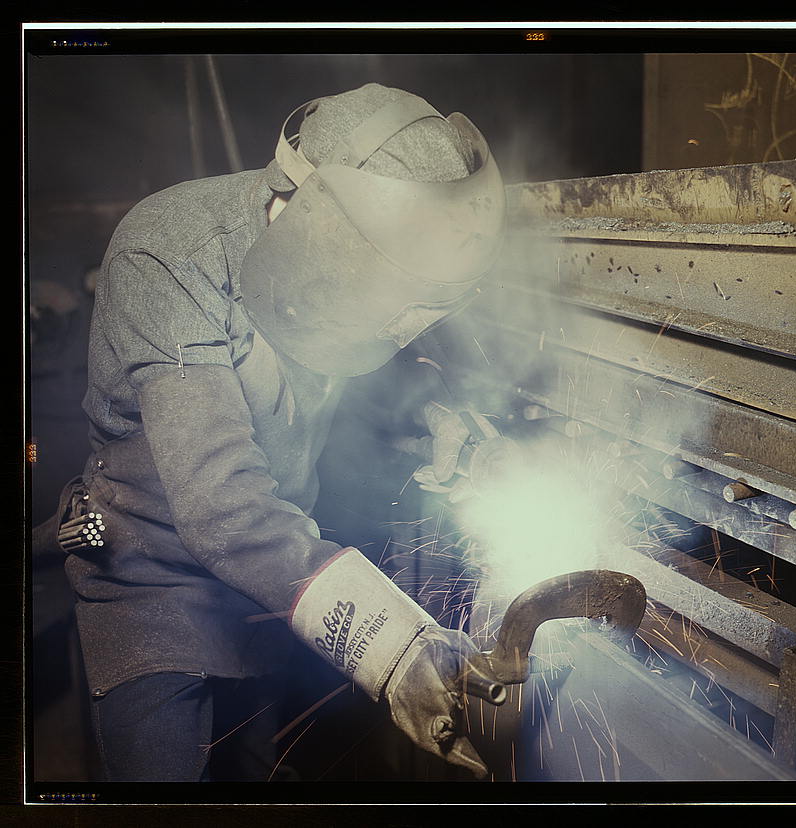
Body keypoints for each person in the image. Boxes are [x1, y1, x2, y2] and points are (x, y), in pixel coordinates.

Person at [54, 83, 507, 782]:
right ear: (302, 207)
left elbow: (355, 364)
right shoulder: (170, 254)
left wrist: (428, 418)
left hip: (276, 577)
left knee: (265, 777)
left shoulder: (338, 263)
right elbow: (220, 502)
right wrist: (392, 647)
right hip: (156, 585)